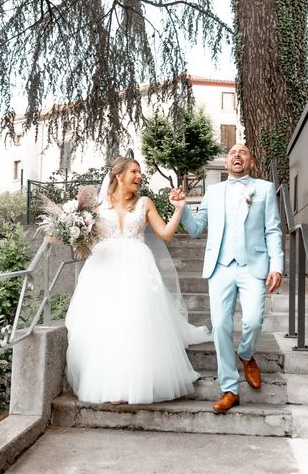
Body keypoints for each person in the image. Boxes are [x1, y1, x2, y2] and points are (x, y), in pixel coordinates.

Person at [65, 157, 211, 405]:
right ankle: (112, 384)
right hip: (104, 270)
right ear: (119, 175)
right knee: (108, 324)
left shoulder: (145, 203)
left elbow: (165, 234)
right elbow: (84, 249)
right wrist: (71, 230)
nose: (139, 176)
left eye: (140, 172)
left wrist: (178, 210)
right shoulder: (97, 209)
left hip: (137, 269)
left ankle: (138, 382)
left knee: (136, 320)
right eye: (134, 171)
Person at [174, 143, 283, 413]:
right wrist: (183, 208)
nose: (237, 155)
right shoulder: (213, 191)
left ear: (251, 162)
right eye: (232, 153)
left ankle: (246, 354)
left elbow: (273, 230)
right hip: (220, 267)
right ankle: (229, 389)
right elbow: (197, 229)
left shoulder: (265, 189)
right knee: (221, 325)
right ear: (226, 164)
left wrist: (277, 265)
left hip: (253, 266)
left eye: (243, 152)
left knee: (254, 319)